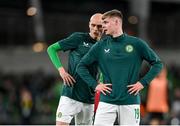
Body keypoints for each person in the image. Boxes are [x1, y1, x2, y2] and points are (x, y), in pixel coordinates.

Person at [77, 9, 163, 125]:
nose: (103, 26)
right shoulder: (100, 46)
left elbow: (158, 64)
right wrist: (95, 85)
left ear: (117, 22)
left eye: (106, 23)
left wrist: (143, 83)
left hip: (130, 102)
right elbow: (81, 66)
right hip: (106, 101)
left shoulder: (137, 44)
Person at [47, 13, 103, 125]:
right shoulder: (79, 38)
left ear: (105, 26)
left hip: (89, 98)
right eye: (93, 25)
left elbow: (103, 68)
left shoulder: (105, 46)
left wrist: (101, 80)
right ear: (89, 25)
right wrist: (61, 71)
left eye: (99, 26)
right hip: (71, 94)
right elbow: (51, 49)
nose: (95, 29)